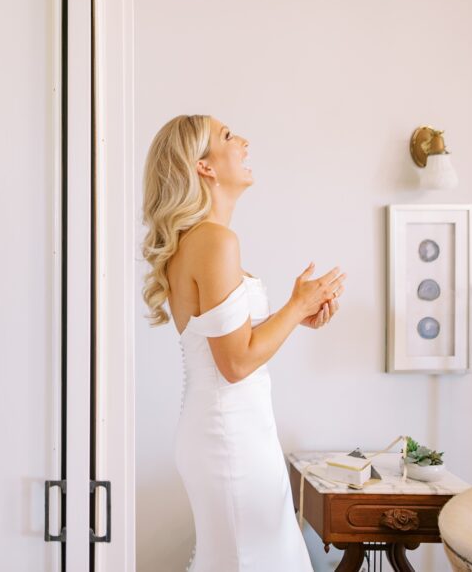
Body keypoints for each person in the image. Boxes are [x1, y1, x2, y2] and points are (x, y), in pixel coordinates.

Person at [141, 114, 345, 571]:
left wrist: (296, 316)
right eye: (229, 136)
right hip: (230, 434)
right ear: (204, 166)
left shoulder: (197, 240)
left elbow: (228, 340)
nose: (244, 142)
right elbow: (234, 363)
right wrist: (296, 305)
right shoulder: (215, 241)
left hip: (227, 427)